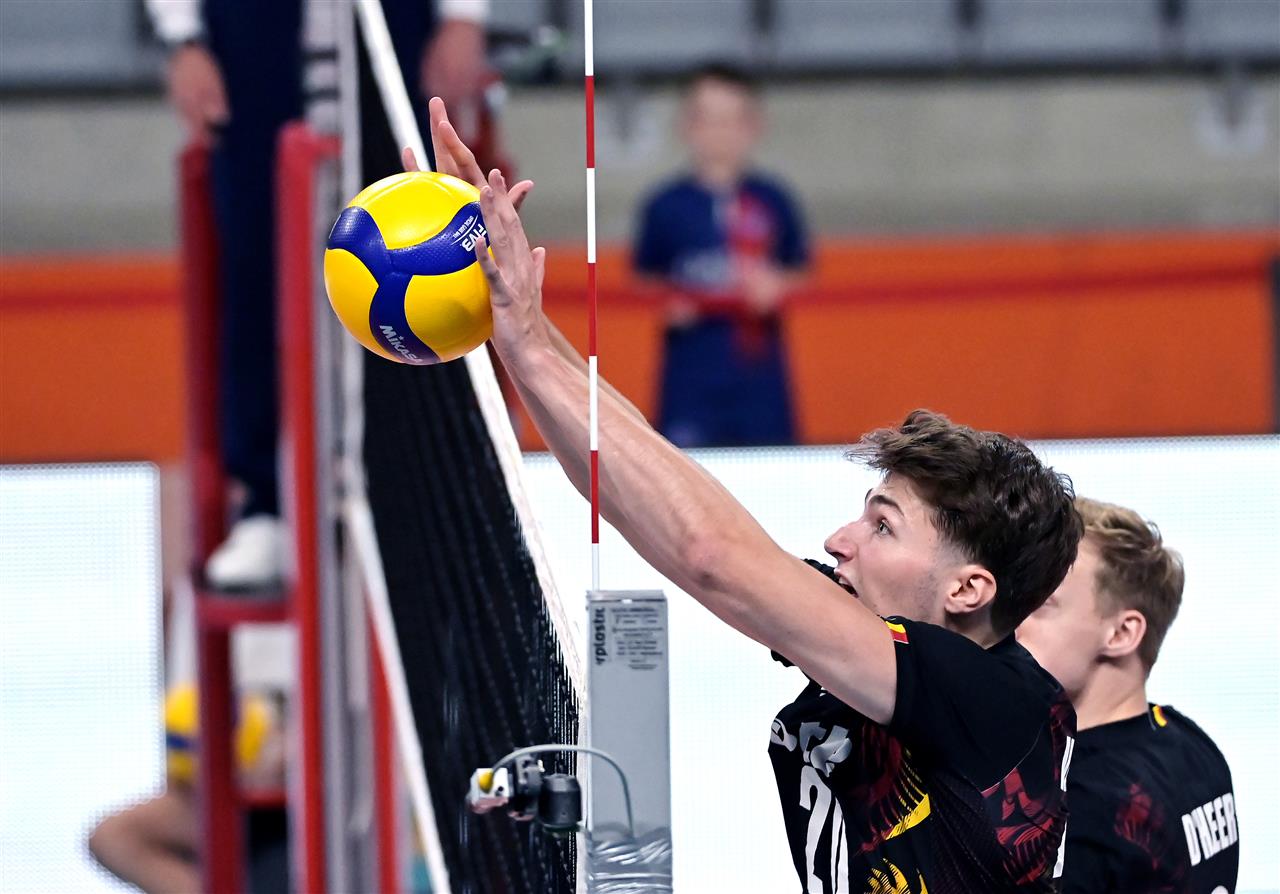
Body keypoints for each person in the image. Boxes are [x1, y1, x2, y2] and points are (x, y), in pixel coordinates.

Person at [424, 98, 1084, 892]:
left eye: (883, 527)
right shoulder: (885, 640)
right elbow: (642, 489)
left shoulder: (987, 698)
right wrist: (515, 320)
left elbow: (711, 556)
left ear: (968, 590)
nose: (840, 540)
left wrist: (529, 347)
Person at [146, 0, 492, 589]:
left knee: (420, 255)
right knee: (255, 261)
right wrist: (181, 37)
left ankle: (424, 505)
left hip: (393, 26)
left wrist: (465, 15)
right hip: (251, 35)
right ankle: (267, 507)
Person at [1018, 498, 1239, 893]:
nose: (1013, 617)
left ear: (1122, 633)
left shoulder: (1076, 802)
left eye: (1042, 602)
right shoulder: (1195, 745)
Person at [633, 64, 810, 447]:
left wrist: (776, 285)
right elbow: (643, 277)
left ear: (753, 125)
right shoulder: (665, 205)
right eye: (708, 119)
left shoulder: (774, 199)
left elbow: (800, 269)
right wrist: (670, 301)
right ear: (687, 125)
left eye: (731, 120)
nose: (720, 132)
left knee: (770, 469)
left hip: (760, 375)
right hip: (690, 374)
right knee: (683, 471)